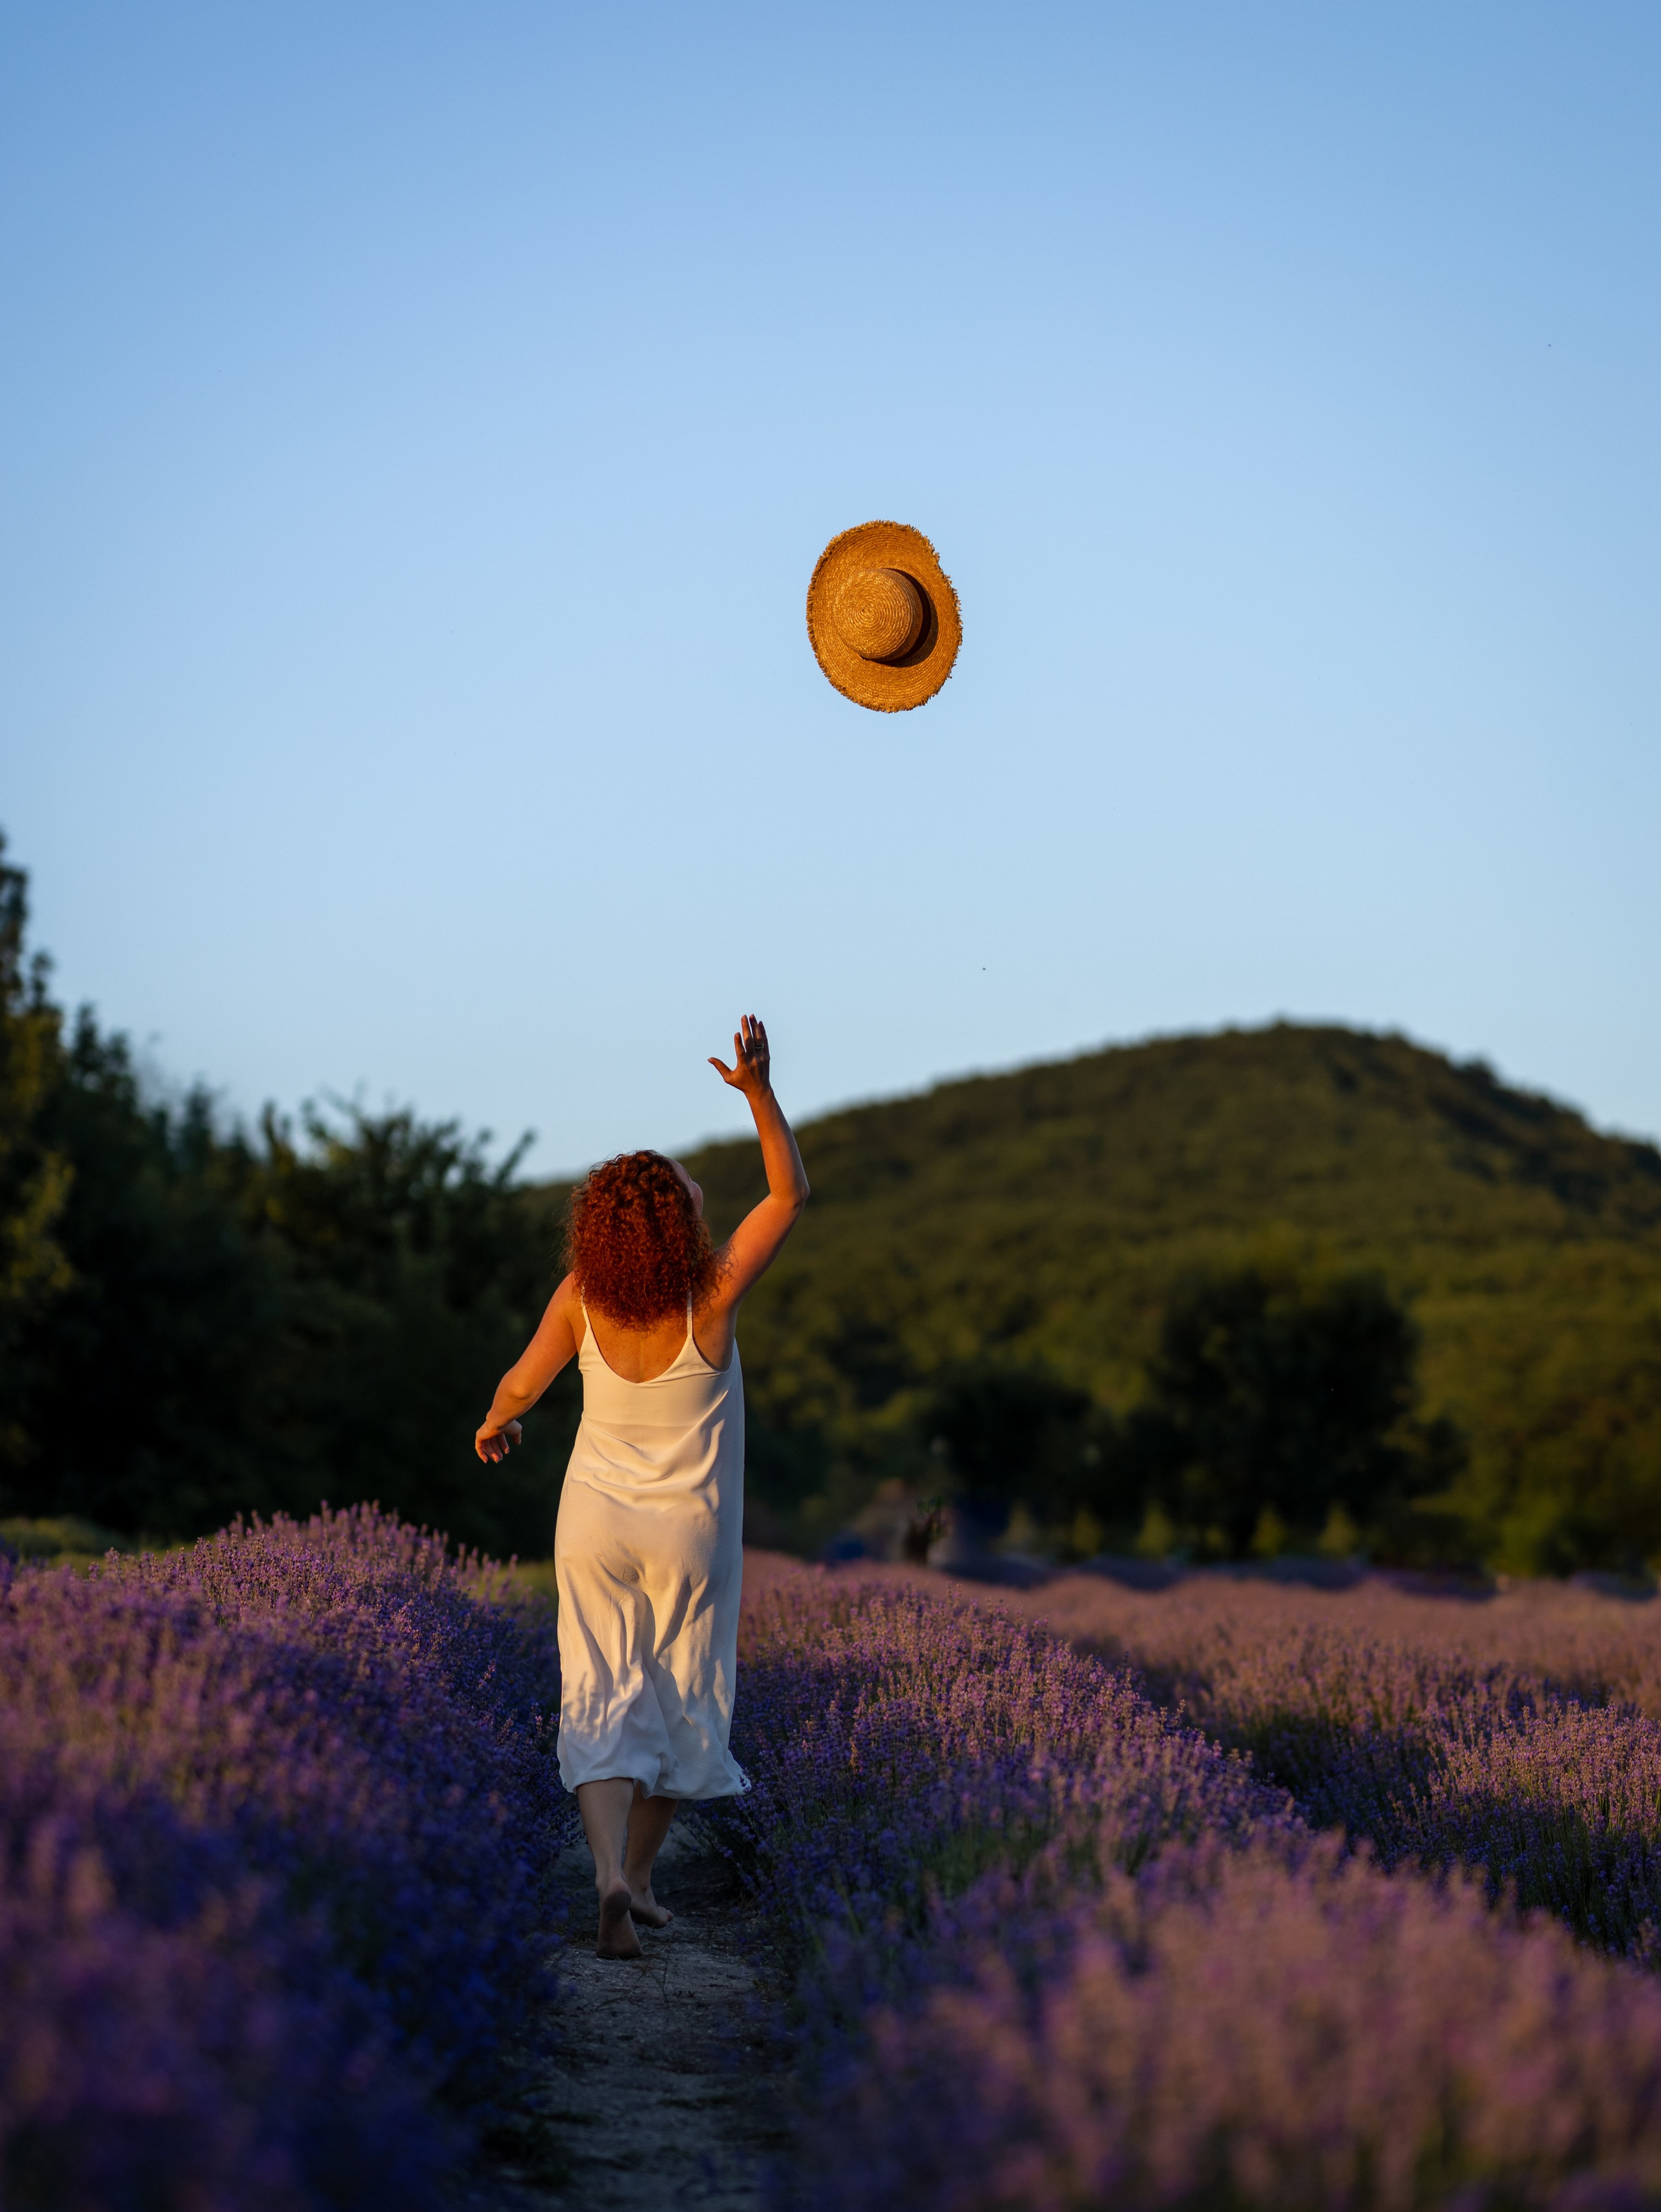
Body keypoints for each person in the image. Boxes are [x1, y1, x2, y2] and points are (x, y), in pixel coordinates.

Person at [475, 1015, 809, 1959]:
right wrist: (757, 1094)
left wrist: (496, 1424)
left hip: (593, 1526)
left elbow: (518, 1384)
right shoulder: (711, 1297)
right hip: (690, 1535)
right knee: (683, 1704)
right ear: (681, 1219)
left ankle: (612, 1876)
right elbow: (790, 1191)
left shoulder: (583, 1292)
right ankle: (646, 1876)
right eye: (688, 1186)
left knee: (601, 1697)